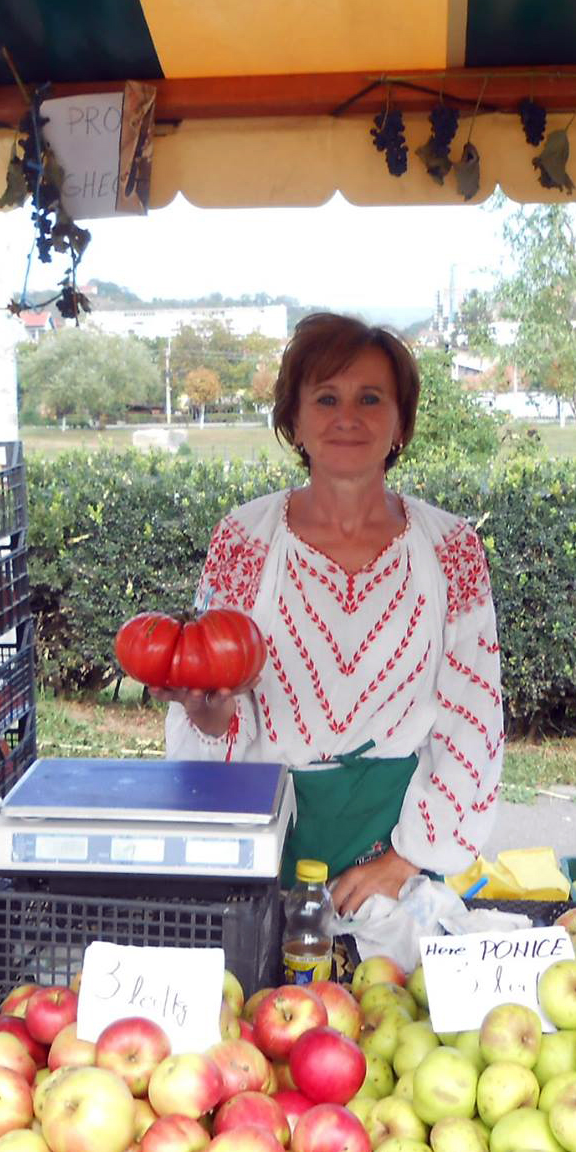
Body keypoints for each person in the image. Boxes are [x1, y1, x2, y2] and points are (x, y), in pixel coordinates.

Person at [162, 312, 504, 913]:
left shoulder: (452, 549)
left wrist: (404, 861)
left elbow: (474, 714)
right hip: (264, 831)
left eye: (371, 398)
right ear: (294, 420)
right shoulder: (243, 539)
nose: (348, 417)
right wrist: (209, 719)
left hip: (398, 852)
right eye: (326, 398)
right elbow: (217, 701)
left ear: (401, 423)